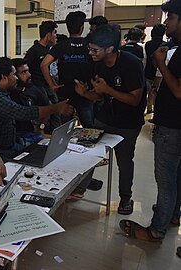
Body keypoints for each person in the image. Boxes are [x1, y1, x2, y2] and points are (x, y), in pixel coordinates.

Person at [119, 0, 181, 241]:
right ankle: (172, 213)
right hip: (175, 124)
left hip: (173, 126)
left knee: (165, 180)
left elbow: (178, 90)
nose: (167, 22)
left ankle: (156, 230)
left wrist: (161, 63)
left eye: (172, 18)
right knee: (176, 176)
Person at [75, 24, 146, 215]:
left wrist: (108, 90)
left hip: (128, 123)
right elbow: (99, 96)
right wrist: (86, 93)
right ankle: (79, 188)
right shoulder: (97, 64)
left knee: (124, 161)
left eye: (94, 50)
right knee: (89, 153)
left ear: (110, 49)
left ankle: (125, 198)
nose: (90, 53)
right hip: (104, 118)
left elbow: (134, 100)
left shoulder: (131, 64)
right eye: (89, 48)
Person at [0, 56, 73, 160]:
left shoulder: (3, 93)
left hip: (12, 144)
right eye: (13, 74)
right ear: (4, 77)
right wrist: (57, 108)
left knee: (47, 149)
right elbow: (22, 112)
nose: (16, 78)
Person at [41, 11, 94, 128]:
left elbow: (44, 64)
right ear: (82, 27)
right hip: (86, 93)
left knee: (64, 130)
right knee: (89, 128)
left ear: (67, 27)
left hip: (65, 93)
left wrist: (52, 85)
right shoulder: (89, 45)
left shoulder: (60, 46)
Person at [10, 58, 61, 140]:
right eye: (24, 72)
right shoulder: (7, 94)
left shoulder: (37, 90)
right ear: (14, 75)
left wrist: (41, 127)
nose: (29, 75)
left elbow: (47, 110)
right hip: (16, 135)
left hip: (35, 133)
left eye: (28, 71)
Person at [24, 20, 59, 104]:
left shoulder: (50, 49)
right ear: (48, 34)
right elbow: (25, 68)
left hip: (49, 86)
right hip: (39, 87)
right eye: (54, 33)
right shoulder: (34, 50)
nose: (55, 36)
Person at [144, 23, 166, 114]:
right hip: (161, 72)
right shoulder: (164, 45)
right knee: (157, 93)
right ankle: (155, 112)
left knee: (147, 92)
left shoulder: (148, 44)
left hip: (148, 71)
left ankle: (148, 108)